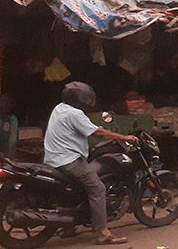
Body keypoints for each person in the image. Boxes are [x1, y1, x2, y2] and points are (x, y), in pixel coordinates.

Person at [44, 82, 137, 245]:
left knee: (76, 188)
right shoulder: (75, 113)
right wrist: (124, 137)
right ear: (79, 98)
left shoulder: (59, 108)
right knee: (98, 189)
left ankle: (68, 227)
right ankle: (103, 233)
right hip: (69, 160)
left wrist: (95, 129)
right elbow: (98, 133)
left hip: (53, 158)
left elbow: (83, 129)